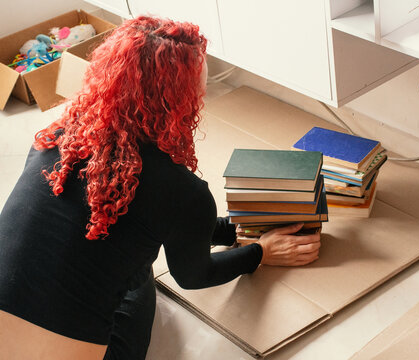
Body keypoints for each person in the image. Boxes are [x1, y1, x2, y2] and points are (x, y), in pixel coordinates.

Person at [0, 16, 321, 360]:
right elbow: (194, 276)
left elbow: (137, 213)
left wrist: (232, 230)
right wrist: (261, 253)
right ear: (180, 98)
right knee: (140, 274)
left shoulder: (55, 138)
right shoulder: (185, 192)